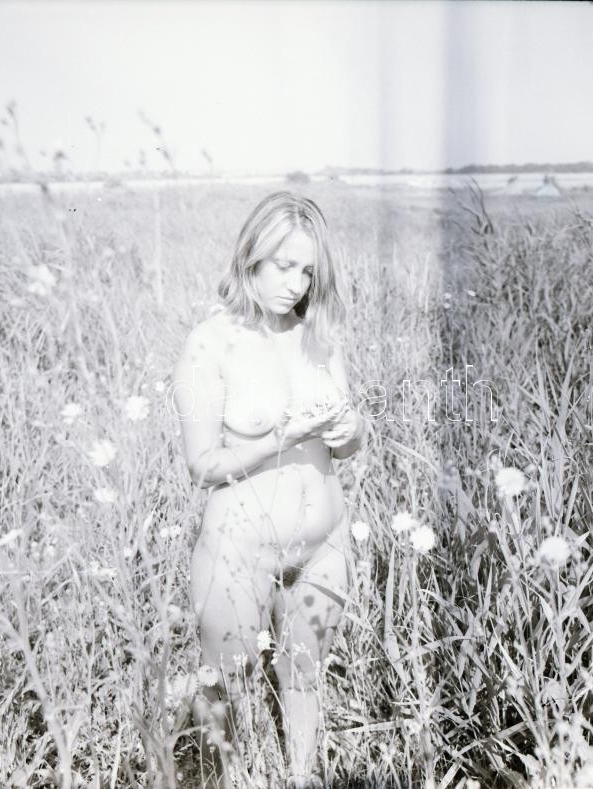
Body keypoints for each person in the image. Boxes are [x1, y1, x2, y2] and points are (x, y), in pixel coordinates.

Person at [171, 191, 365, 787]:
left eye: (307, 271)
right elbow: (203, 465)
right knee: (226, 688)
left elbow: (346, 443)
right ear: (251, 257)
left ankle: (302, 778)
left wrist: (352, 431)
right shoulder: (211, 343)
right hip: (239, 550)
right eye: (283, 266)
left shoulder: (319, 338)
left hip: (324, 546)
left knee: (306, 677)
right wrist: (279, 439)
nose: (296, 285)